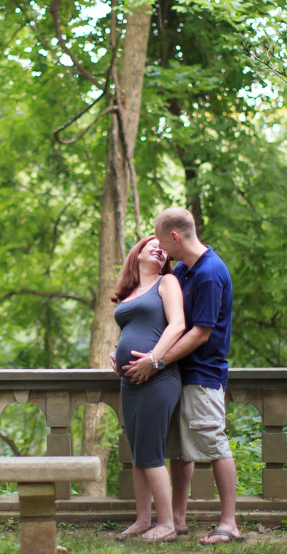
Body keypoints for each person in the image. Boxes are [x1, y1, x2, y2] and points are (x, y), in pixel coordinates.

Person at [125, 207, 243, 544]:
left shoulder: (208, 273)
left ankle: (229, 523)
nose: (160, 248)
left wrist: (156, 362)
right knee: (180, 449)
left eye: (161, 239)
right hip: (180, 373)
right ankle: (176, 519)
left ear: (174, 237)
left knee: (214, 443)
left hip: (203, 373)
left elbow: (199, 334)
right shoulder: (186, 271)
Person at [109, 235, 185, 543]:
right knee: (138, 452)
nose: (158, 247)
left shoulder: (167, 283)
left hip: (158, 378)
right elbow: (135, 328)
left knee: (152, 451)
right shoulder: (130, 291)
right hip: (130, 381)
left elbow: (177, 325)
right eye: (150, 243)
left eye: (163, 247)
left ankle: (166, 524)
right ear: (137, 253)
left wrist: (153, 360)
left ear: (167, 259)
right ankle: (143, 519)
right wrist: (118, 351)